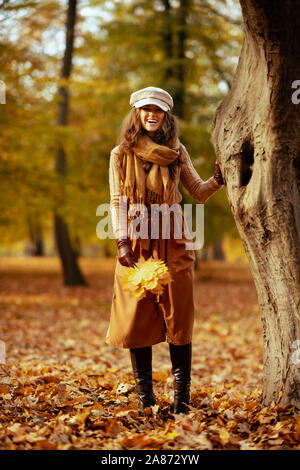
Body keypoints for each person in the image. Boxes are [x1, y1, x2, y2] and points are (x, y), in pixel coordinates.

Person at [106, 86, 224, 414]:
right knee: (136, 317)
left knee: (179, 315)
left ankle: (181, 402)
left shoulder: (177, 151)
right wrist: (122, 241)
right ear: (137, 113)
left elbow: (198, 192)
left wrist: (217, 179)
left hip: (174, 239)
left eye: (157, 110)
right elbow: (117, 201)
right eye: (146, 109)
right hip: (137, 241)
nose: (151, 115)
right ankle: (146, 401)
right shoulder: (120, 154)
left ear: (165, 115)